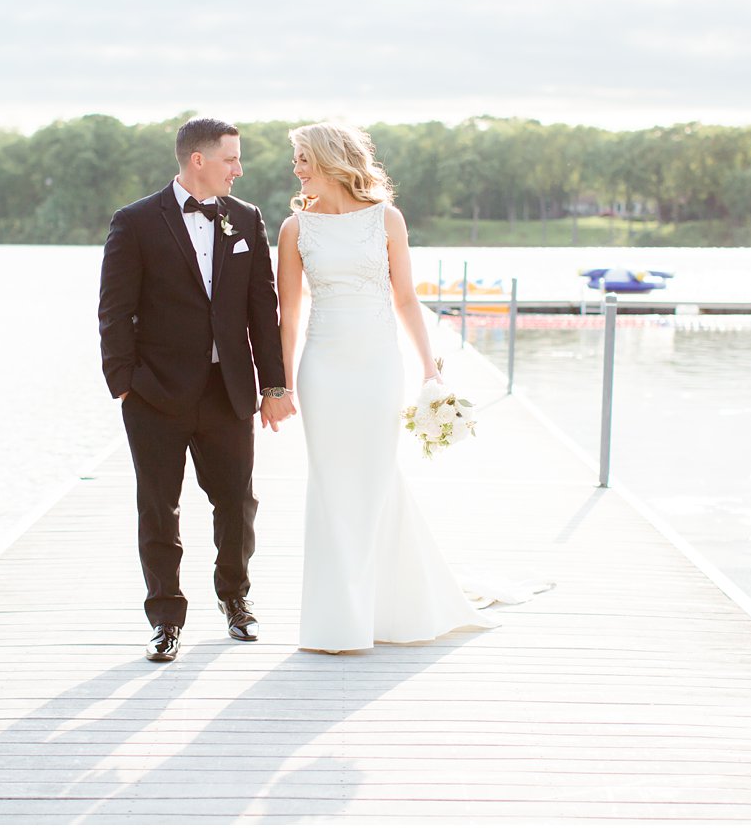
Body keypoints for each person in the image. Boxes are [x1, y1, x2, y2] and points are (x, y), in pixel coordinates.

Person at [275, 122, 499, 652]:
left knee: (375, 477)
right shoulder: (294, 229)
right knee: (331, 483)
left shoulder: (386, 219)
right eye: (296, 158)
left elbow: (405, 298)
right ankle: (338, 620)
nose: (297, 167)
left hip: (378, 363)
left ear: (331, 159)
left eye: (304, 156)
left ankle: (390, 604)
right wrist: (281, 384)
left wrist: (430, 367)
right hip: (322, 367)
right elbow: (288, 312)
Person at [98, 117, 296, 662]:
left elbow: (264, 307)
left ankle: (236, 599)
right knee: (159, 508)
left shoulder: (246, 218)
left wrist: (274, 383)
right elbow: (114, 312)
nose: (239, 168)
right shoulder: (135, 222)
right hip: (154, 394)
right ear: (198, 161)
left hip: (227, 389)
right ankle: (165, 618)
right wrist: (125, 385)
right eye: (231, 158)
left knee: (237, 501)